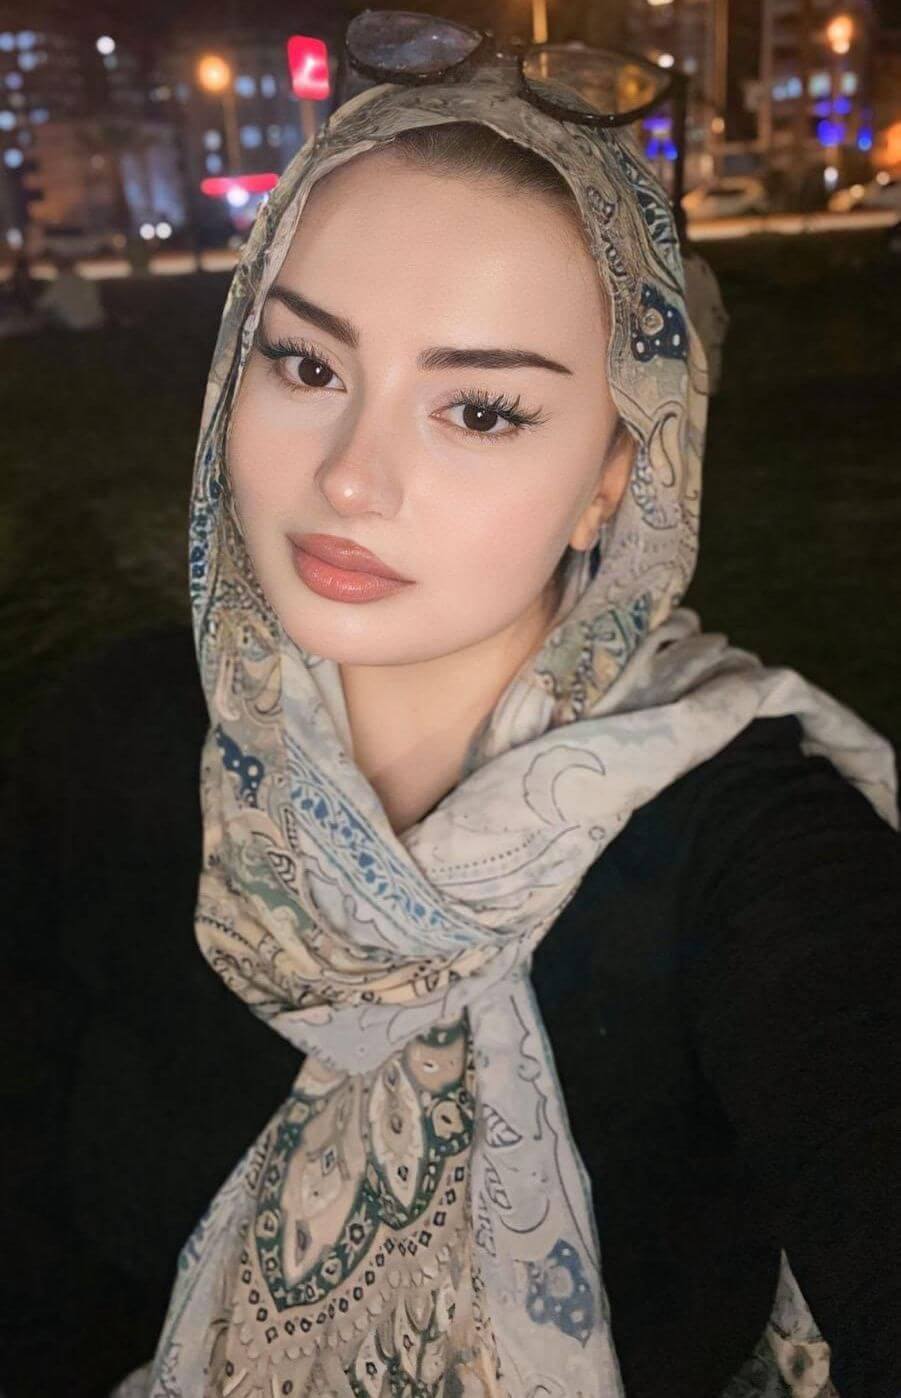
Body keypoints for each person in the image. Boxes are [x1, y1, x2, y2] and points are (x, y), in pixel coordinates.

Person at [3, 18, 899, 1398]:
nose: (351, 479)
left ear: (615, 474)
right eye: (307, 365)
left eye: (479, 409)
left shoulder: (753, 850)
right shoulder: (113, 742)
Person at [35, 250, 106, 331]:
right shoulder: (85, 281)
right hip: (97, 322)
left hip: (77, 326)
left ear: (58, 268)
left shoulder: (59, 284)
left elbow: (42, 305)